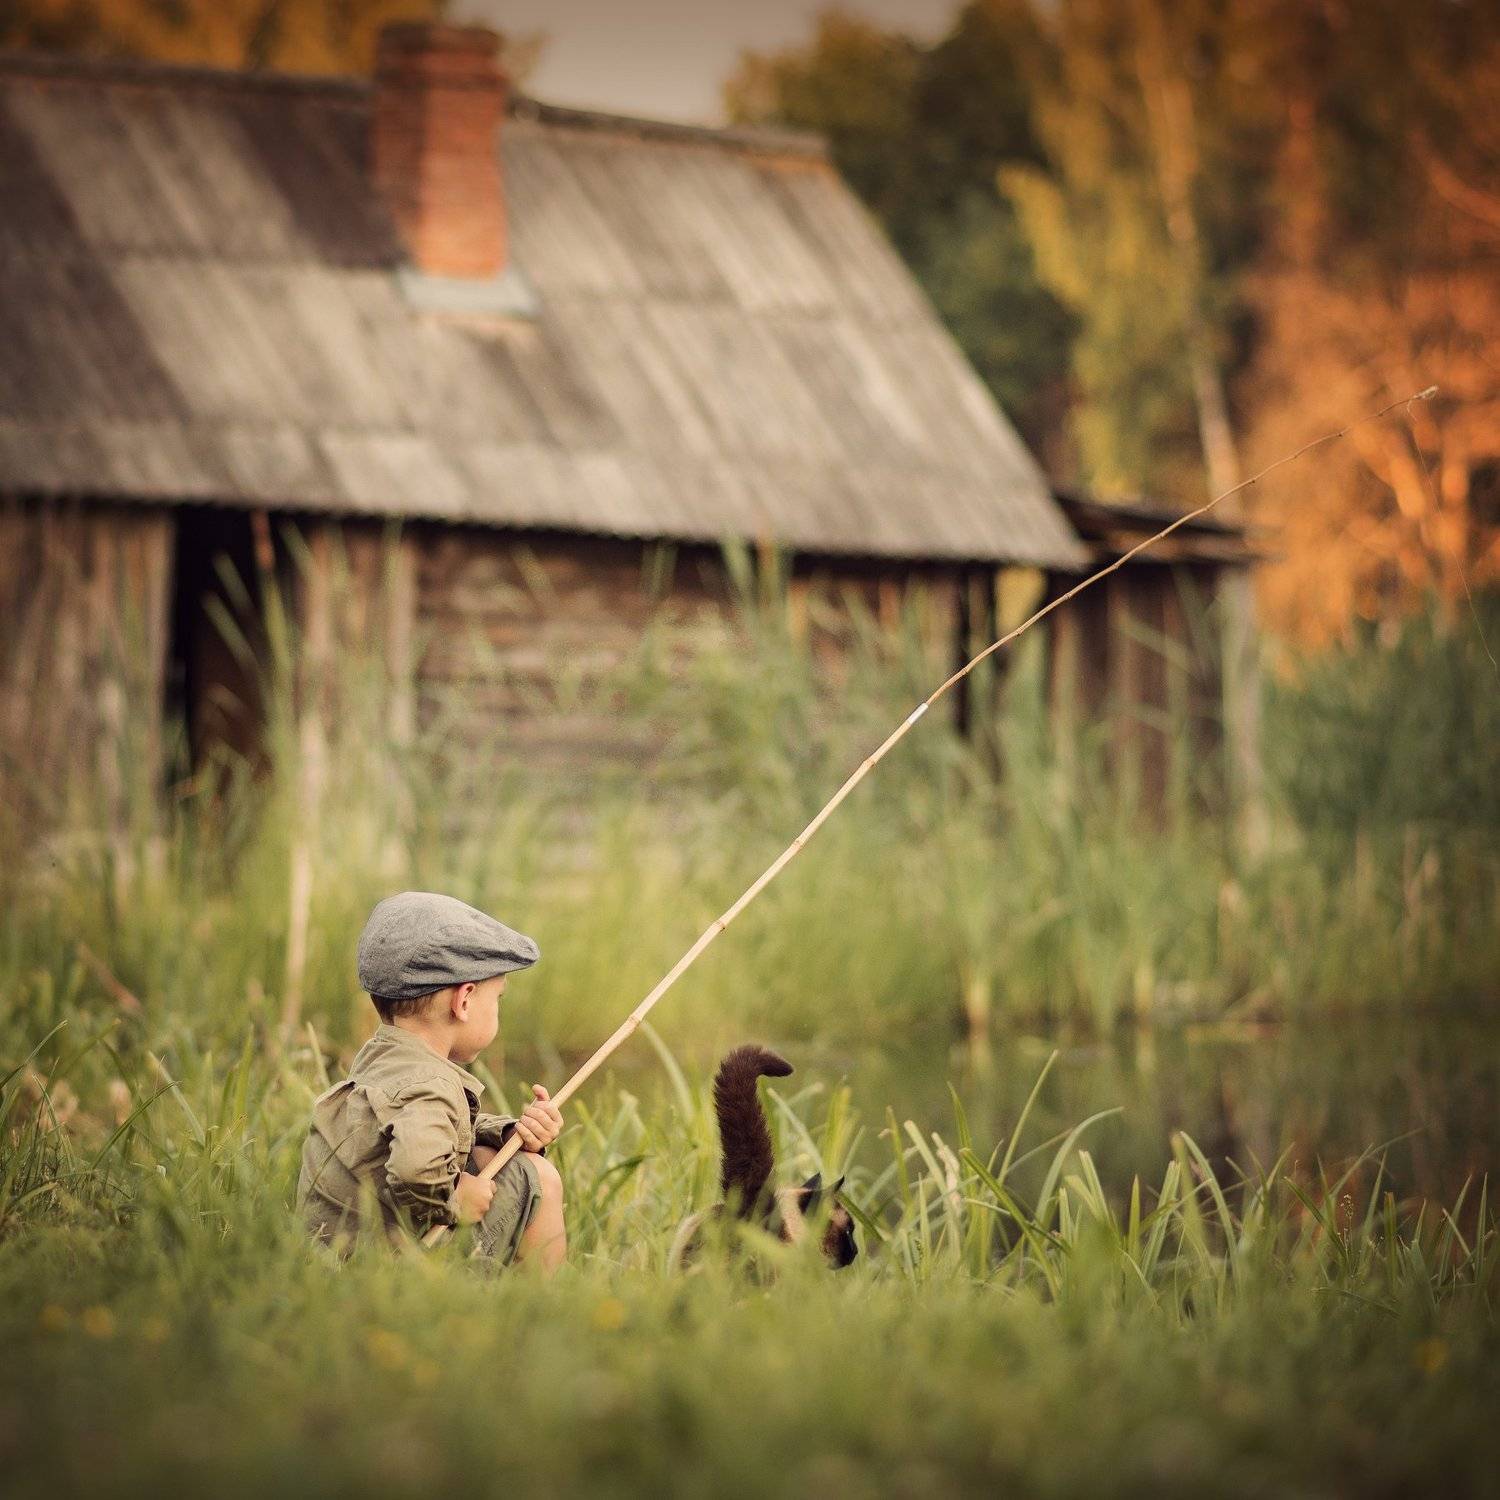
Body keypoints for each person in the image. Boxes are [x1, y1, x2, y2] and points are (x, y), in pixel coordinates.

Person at [297, 891, 565, 1271]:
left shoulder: (381, 1058)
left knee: (493, 1158)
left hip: (337, 1260)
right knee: (537, 1176)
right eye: (498, 998)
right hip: (386, 1269)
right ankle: (546, 1305)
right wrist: (453, 1198)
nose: (498, 1008)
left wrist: (510, 1134)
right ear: (465, 1001)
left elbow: (414, 1132)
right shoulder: (429, 1085)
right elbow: (414, 1168)